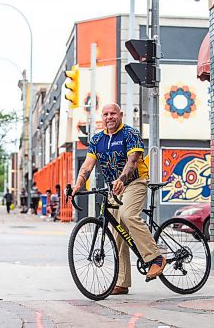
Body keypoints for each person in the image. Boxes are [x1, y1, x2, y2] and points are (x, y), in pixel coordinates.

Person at [70, 103, 166, 295]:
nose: (109, 117)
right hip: (113, 187)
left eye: (112, 113)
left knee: (127, 215)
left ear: (121, 115)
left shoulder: (130, 133)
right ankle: (122, 282)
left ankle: (155, 258)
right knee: (117, 233)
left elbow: (132, 162)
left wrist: (121, 179)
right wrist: (77, 185)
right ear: (102, 118)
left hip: (134, 181)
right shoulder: (97, 139)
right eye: (105, 114)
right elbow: (87, 167)